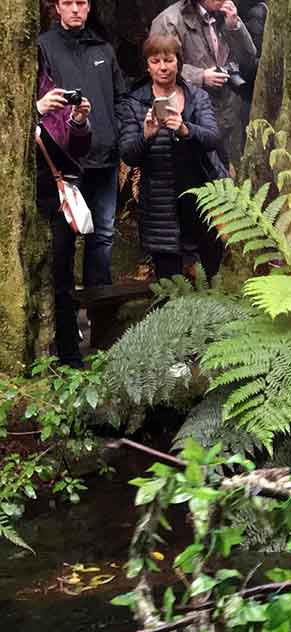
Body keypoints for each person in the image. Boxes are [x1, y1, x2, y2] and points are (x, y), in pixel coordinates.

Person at [37, 0, 126, 367]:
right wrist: (40, 108)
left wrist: (117, 134)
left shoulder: (103, 49)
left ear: (89, 8)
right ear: (57, 7)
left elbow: (119, 98)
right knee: (62, 252)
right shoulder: (44, 46)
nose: (75, 9)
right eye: (68, 2)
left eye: (82, 3)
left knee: (101, 244)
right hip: (64, 167)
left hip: (103, 162)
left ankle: (102, 339)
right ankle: (68, 347)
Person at [119, 34, 228, 281]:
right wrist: (146, 136)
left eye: (168, 60)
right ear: (147, 65)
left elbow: (213, 138)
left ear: (178, 62)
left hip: (203, 200)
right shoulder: (135, 103)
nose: (163, 67)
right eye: (155, 61)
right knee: (170, 281)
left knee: (210, 276)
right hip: (161, 205)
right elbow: (128, 154)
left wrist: (185, 129)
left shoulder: (196, 96)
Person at [33, 59, 92, 367]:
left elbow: (76, 150)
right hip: (28, 200)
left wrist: (79, 121)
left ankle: (70, 353)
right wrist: (37, 110)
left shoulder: (48, 84)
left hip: (55, 200)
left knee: (63, 279)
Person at [150, 0, 258, 165]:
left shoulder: (226, 15)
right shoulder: (169, 21)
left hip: (228, 115)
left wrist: (234, 26)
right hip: (189, 116)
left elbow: (249, 59)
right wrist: (200, 76)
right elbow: (158, 68)